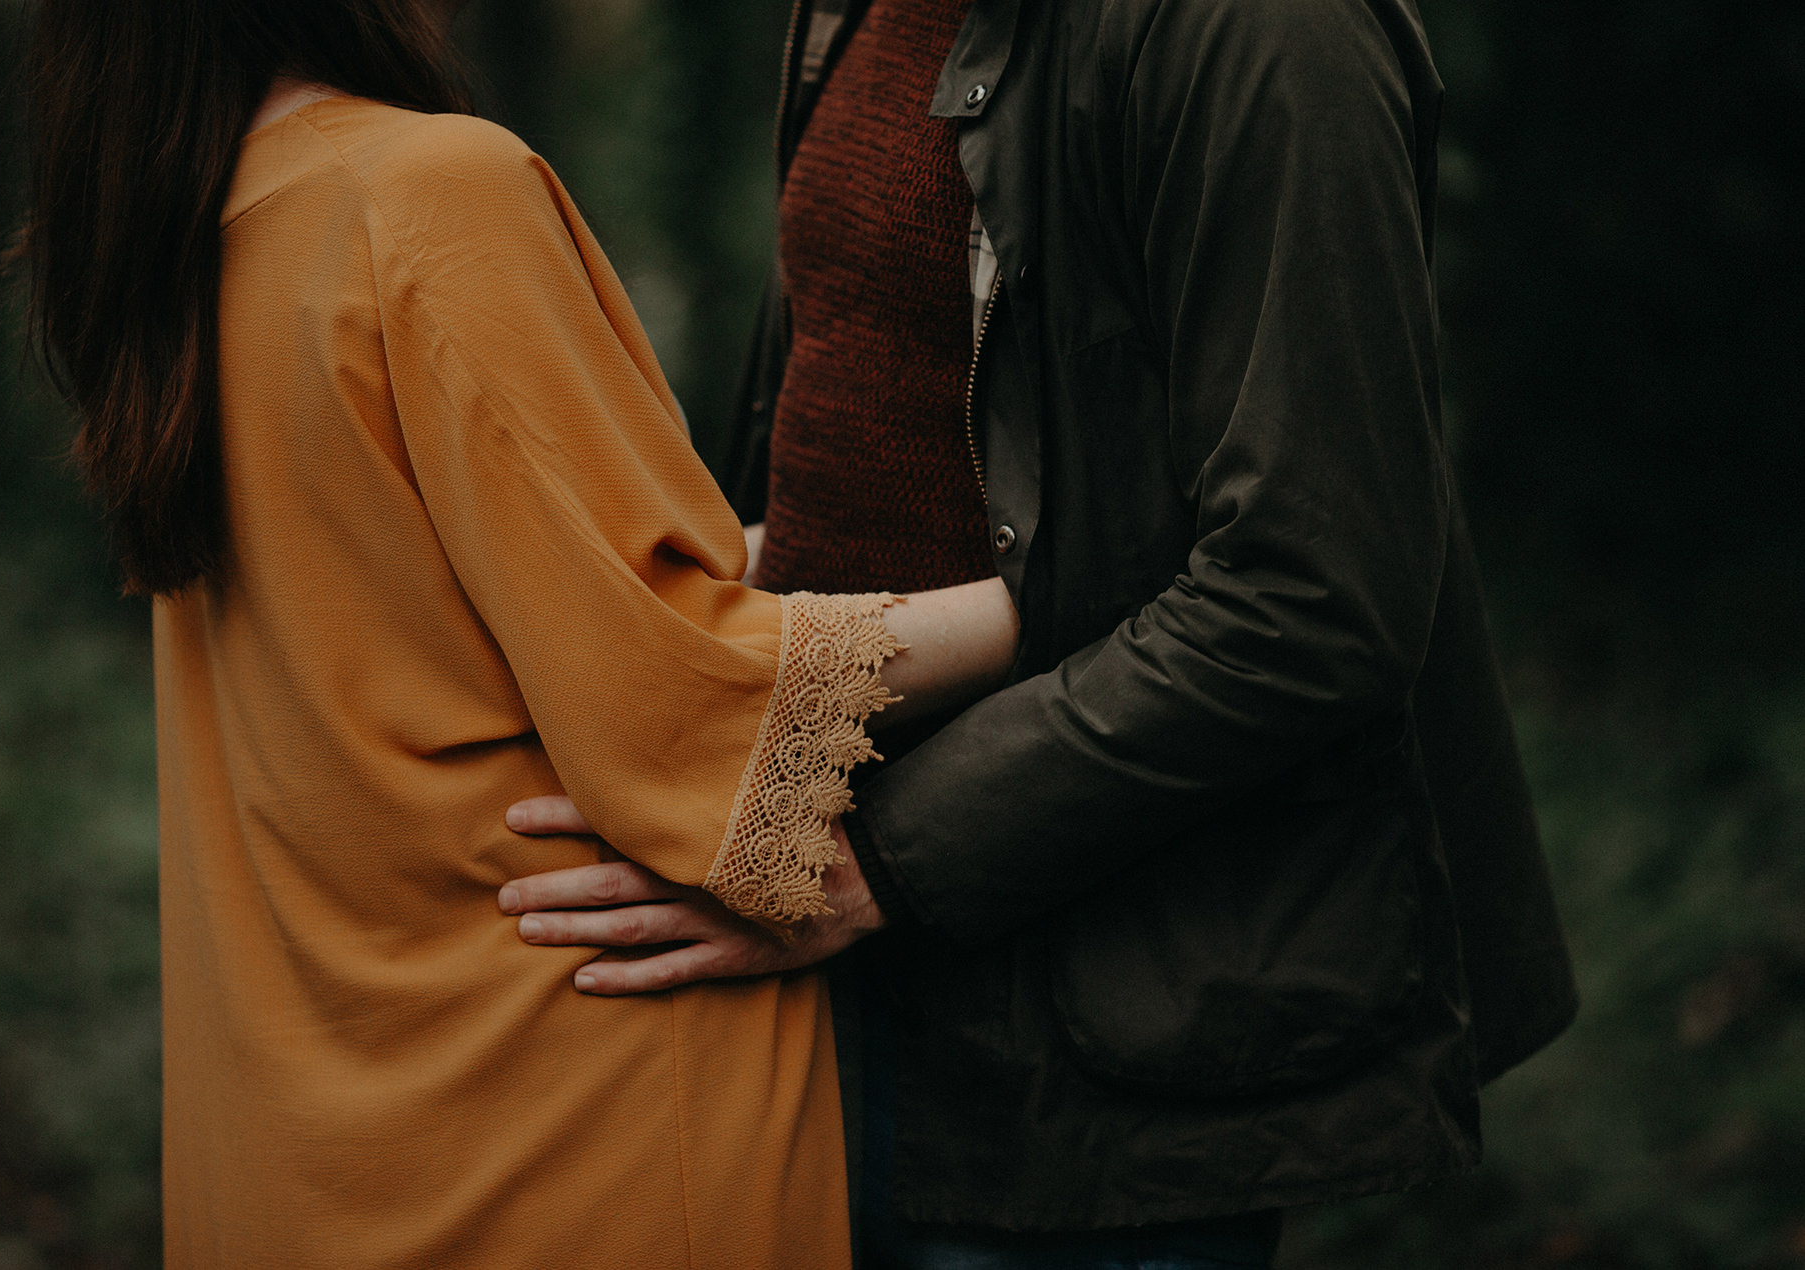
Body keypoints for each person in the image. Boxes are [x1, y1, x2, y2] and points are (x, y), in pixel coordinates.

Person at [497, 0, 1580, 1264]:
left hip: (1093, 1056)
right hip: (812, 993)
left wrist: (872, 867)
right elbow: (858, 454)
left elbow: (1311, 594)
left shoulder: (1264, 31)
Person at [18, 1, 1026, 1265]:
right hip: (570, 1120)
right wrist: (1047, 603)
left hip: (307, 1146)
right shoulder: (429, 192)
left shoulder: (179, 237)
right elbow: (679, 686)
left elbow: (491, 611)